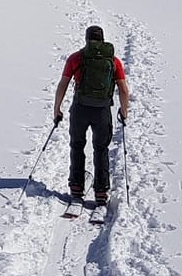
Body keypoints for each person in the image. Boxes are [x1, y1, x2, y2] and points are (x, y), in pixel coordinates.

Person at [53, 24, 130, 201]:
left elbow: (63, 84)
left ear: (87, 39)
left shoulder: (76, 58)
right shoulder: (113, 61)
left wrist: (57, 109)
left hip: (80, 108)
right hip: (102, 110)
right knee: (101, 148)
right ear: (102, 39)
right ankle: (101, 191)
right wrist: (124, 111)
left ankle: (77, 186)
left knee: (77, 145)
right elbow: (124, 90)